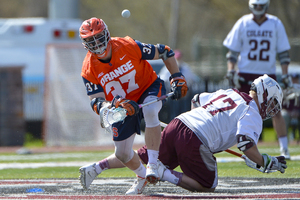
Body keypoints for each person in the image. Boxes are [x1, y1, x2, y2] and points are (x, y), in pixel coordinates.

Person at [80, 74, 287, 194]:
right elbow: (245, 143)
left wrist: (198, 125)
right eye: (272, 103)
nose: (271, 109)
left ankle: (96, 167)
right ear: (264, 94)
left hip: (180, 123)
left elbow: (197, 100)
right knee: (208, 184)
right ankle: (163, 173)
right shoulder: (252, 112)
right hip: (195, 138)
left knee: (142, 156)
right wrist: (265, 161)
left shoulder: (230, 92)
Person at [78, 17, 188, 194]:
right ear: (85, 43)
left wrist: (176, 76)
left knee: (151, 109)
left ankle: (153, 164)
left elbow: (165, 51)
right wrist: (114, 104)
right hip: (122, 105)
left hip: (148, 87)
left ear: (106, 34)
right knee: (122, 153)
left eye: (98, 37)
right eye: (91, 40)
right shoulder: (89, 68)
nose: (96, 43)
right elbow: (96, 101)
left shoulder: (127, 45)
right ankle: (143, 175)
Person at [223, 0, 292, 159]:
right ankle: (236, 145)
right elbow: (232, 52)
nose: (259, 9)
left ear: (266, 6)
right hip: (245, 73)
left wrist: (286, 74)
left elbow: (283, 53)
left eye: (262, 6)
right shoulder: (243, 22)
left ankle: (284, 148)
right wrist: (231, 70)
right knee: (240, 110)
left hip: (267, 75)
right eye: (257, 6)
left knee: (276, 111)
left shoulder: (275, 23)